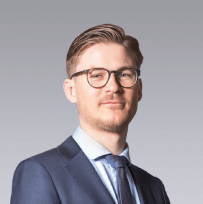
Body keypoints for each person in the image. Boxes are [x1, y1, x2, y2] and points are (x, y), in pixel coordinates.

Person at [10, 24, 170, 204]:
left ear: (139, 90)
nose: (114, 87)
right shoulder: (40, 172)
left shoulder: (154, 188)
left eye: (124, 74)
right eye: (96, 75)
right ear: (71, 91)